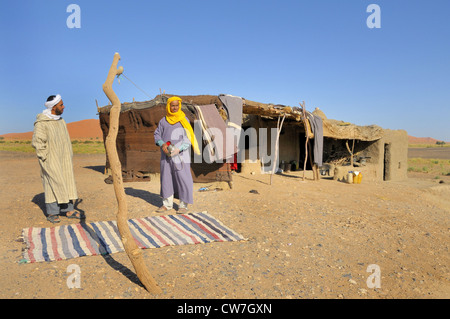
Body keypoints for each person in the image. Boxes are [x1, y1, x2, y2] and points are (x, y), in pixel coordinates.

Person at [32, 94, 81, 223]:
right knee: (52, 183)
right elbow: (37, 142)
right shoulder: (42, 123)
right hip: (50, 159)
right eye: (61, 105)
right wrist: (45, 158)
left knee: (66, 181)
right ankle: (52, 212)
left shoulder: (61, 120)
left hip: (64, 159)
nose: (63, 106)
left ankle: (69, 209)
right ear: (53, 107)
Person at [154, 96, 200, 213]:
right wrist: (162, 144)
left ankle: (183, 205)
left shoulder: (183, 120)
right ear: (168, 106)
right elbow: (157, 134)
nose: (175, 108)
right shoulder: (163, 121)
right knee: (166, 178)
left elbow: (188, 138)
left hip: (181, 155)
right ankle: (167, 204)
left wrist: (178, 149)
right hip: (166, 155)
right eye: (172, 105)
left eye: (177, 105)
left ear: (179, 106)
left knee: (183, 178)